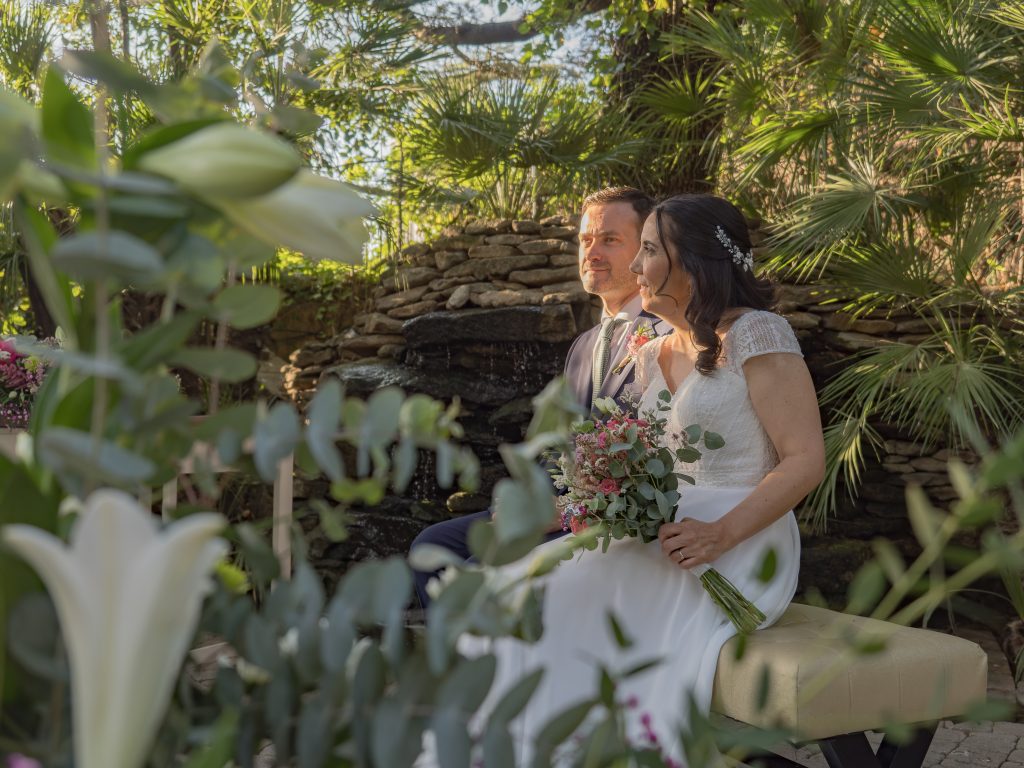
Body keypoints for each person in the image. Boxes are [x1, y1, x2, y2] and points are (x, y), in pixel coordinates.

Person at [464, 194, 826, 763]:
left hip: (740, 545)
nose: (636, 267)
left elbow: (805, 459)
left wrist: (721, 533)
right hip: (664, 538)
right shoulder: (653, 352)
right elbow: (647, 472)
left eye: (650, 251)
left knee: (549, 606)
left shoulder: (758, 334)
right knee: (512, 596)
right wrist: (581, 507)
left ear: (697, 263)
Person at [410, 186, 668, 609]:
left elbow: (663, 456)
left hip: (618, 521)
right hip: (560, 508)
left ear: (644, 250)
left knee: (480, 568)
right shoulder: (583, 345)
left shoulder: (665, 335)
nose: (592, 251)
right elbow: (560, 446)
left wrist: (567, 510)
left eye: (610, 240)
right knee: (431, 548)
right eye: (585, 240)